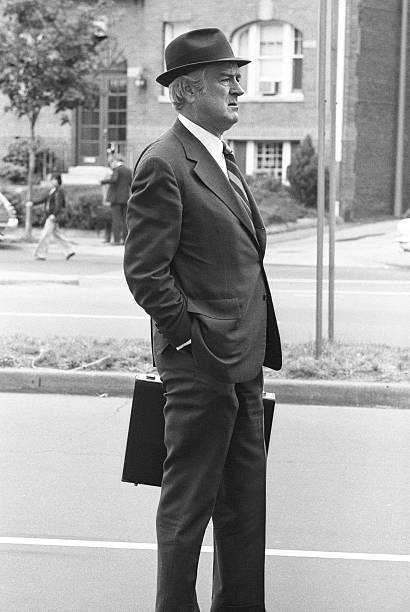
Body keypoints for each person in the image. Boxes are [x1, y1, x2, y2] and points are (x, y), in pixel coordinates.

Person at [124, 28, 282, 612]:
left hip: (244, 362)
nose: (239, 86)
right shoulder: (165, 162)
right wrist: (193, 340)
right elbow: (146, 272)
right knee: (188, 508)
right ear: (185, 91)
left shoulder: (220, 155)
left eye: (237, 75)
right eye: (225, 78)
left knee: (245, 504)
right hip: (201, 366)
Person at [32, 173, 75, 261]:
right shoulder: (53, 190)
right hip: (50, 215)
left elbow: (59, 205)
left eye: (51, 179)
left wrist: (54, 215)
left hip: (52, 216)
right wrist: (33, 203)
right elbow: (44, 199)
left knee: (45, 234)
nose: (50, 181)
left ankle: (41, 253)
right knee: (57, 234)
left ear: (56, 180)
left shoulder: (59, 191)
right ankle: (69, 251)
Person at [101, 154, 132, 244]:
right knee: (125, 220)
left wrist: (103, 182)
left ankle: (117, 240)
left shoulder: (116, 170)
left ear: (116, 161)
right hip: (125, 198)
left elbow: (114, 180)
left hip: (116, 199)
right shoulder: (128, 170)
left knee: (116, 220)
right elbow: (131, 183)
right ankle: (125, 239)